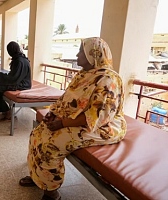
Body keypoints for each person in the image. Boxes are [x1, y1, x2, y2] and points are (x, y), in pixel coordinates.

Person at [19, 37, 127, 200]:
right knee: (37, 134)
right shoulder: (84, 74)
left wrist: (62, 123)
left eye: (80, 52)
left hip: (104, 127)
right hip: (78, 119)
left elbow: (97, 116)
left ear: (93, 55)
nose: (77, 55)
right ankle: (39, 177)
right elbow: (67, 98)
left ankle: (51, 192)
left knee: (52, 144)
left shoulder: (108, 80)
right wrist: (53, 112)